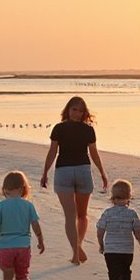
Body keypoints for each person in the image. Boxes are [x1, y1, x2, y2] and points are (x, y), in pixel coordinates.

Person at [40, 96, 109, 265]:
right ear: (68, 110)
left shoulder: (61, 128)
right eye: (74, 110)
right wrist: (44, 172)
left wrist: (102, 173)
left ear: (84, 113)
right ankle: (77, 250)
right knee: (77, 216)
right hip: (80, 171)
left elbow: (93, 154)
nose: (77, 114)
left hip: (67, 171)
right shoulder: (85, 130)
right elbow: (52, 152)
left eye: (80, 111)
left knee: (78, 215)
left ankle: (76, 251)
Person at [96, 180, 140, 280]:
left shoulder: (107, 213)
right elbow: (137, 232)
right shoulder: (132, 214)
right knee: (126, 272)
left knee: (113, 273)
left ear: (112, 197)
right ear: (129, 197)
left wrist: (101, 244)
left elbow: (100, 230)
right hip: (126, 250)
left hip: (111, 250)